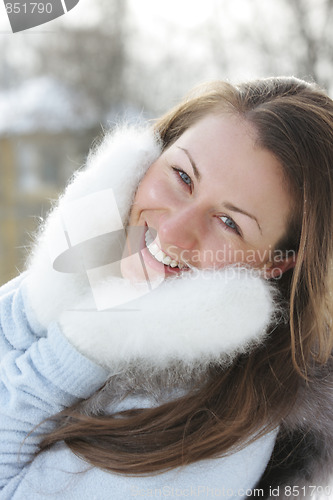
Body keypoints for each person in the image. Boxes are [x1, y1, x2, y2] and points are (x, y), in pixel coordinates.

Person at [1, 76, 333, 499]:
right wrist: (44, 302)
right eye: (182, 176)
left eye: (229, 223)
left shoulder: (214, 439)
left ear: (276, 263)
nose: (173, 232)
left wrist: (78, 349)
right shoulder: (87, 275)